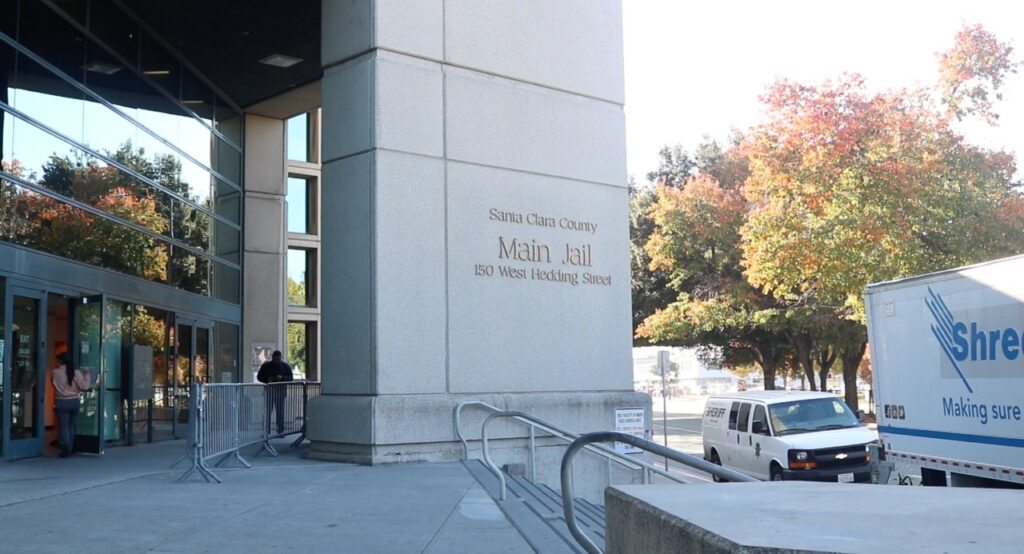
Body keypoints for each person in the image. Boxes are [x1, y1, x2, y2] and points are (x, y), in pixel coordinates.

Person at [52, 352, 90, 458]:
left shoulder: (55, 372)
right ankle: (71, 447)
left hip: (62, 401)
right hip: (75, 401)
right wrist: (87, 375)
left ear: (60, 362)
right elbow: (84, 386)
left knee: (64, 426)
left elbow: (53, 384)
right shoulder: (76, 373)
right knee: (71, 425)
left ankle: (66, 448)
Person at [257, 350, 293, 435]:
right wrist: (267, 380)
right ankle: (267, 431)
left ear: (280, 358)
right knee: (267, 412)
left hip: (280, 392)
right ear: (272, 357)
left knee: (280, 413)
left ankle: (280, 431)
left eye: (278, 359)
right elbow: (259, 377)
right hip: (269, 391)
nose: (276, 360)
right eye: (275, 359)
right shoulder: (266, 366)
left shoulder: (285, 366)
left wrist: (281, 378)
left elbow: (290, 378)